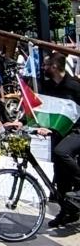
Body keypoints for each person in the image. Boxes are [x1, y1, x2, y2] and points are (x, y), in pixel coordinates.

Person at [40, 53, 80, 228]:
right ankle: (67, 212)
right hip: (58, 133)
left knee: (61, 152)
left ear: (54, 67)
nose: (43, 68)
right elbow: (40, 107)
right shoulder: (49, 86)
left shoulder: (74, 87)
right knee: (60, 174)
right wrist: (21, 121)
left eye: (46, 65)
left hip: (77, 131)